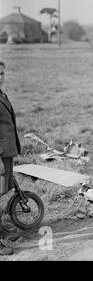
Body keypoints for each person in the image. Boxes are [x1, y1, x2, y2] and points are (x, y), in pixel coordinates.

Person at [0, 60, 21, 256]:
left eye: (2, 74)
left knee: (2, 191)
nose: (1, 78)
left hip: (6, 152)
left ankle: (2, 230)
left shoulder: (2, 95)